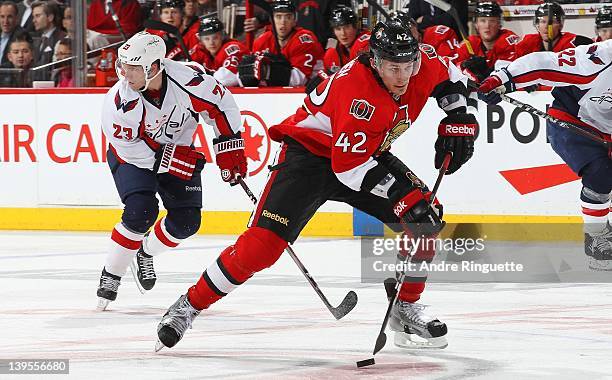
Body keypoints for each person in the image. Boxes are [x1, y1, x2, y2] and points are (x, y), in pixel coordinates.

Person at [156, 20, 478, 351]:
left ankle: (405, 307)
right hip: (308, 158)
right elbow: (347, 168)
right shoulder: (358, 91)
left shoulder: (421, 60)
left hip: (364, 153)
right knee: (260, 248)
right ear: (375, 60)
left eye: (407, 66)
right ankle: (187, 306)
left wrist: (460, 118)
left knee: (425, 222)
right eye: (392, 67)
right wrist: (400, 196)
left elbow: (452, 77)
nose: (401, 77)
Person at [96, 31, 247, 310]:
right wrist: (167, 158)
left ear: (153, 67)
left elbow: (220, 106)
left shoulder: (190, 81)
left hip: (178, 152)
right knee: (141, 212)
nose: (124, 73)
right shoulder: (119, 102)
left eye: (132, 67)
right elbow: (129, 148)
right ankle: (111, 274)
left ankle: (145, 252)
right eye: (123, 65)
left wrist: (229, 145)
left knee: (187, 222)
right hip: (132, 159)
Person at [478, 40, 612, 271]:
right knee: (600, 174)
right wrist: (501, 79)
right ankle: (596, 237)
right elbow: (542, 63)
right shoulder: (599, 59)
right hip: (572, 119)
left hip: (606, 124)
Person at [238, 0, 324, 87]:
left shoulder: (305, 40)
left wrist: (267, 71)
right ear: (272, 21)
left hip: (310, 92)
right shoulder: (262, 40)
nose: (283, 22)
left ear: (294, 21)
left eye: (288, 17)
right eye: (278, 17)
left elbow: (300, 80)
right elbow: (252, 77)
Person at [454, 1, 519, 83]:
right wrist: (465, 65)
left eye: (492, 21)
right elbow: (455, 72)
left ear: (499, 23)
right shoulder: (469, 44)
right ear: (476, 24)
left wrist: (487, 72)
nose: (487, 26)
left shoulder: (508, 41)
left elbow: (511, 73)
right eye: (482, 21)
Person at [515, 2, 592, 58]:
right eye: (543, 21)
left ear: (560, 25)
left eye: (551, 22)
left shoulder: (575, 43)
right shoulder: (526, 43)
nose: (546, 27)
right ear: (537, 24)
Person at [189, 16, 249, 87]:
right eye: (206, 39)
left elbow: (226, 78)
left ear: (222, 36)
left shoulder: (233, 48)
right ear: (200, 40)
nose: (211, 42)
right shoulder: (198, 51)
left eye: (215, 38)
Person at [392, 10, 460, 60]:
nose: (406, 35)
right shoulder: (397, 53)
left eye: (408, 29)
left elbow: (449, 64)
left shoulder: (439, 34)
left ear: (414, 25)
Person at [322, 5, 370, 73]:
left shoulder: (365, 42)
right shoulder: (332, 51)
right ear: (334, 31)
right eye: (338, 29)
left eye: (347, 27)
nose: (343, 33)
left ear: (355, 27)